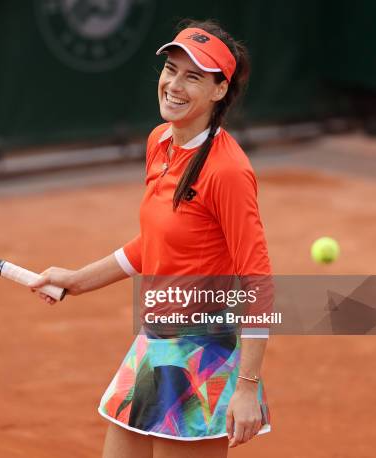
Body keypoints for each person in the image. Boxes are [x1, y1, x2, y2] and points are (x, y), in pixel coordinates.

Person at [30, 19, 272, 458]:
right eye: (171, 70)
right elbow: (154, 242)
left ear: (219, 91)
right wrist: (78, 279)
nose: (174, 85)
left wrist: (247, 387)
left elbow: (257, 280)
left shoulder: (229, 172)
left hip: (203, 352)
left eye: (193, 76)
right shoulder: (160, 142)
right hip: (154, 339)